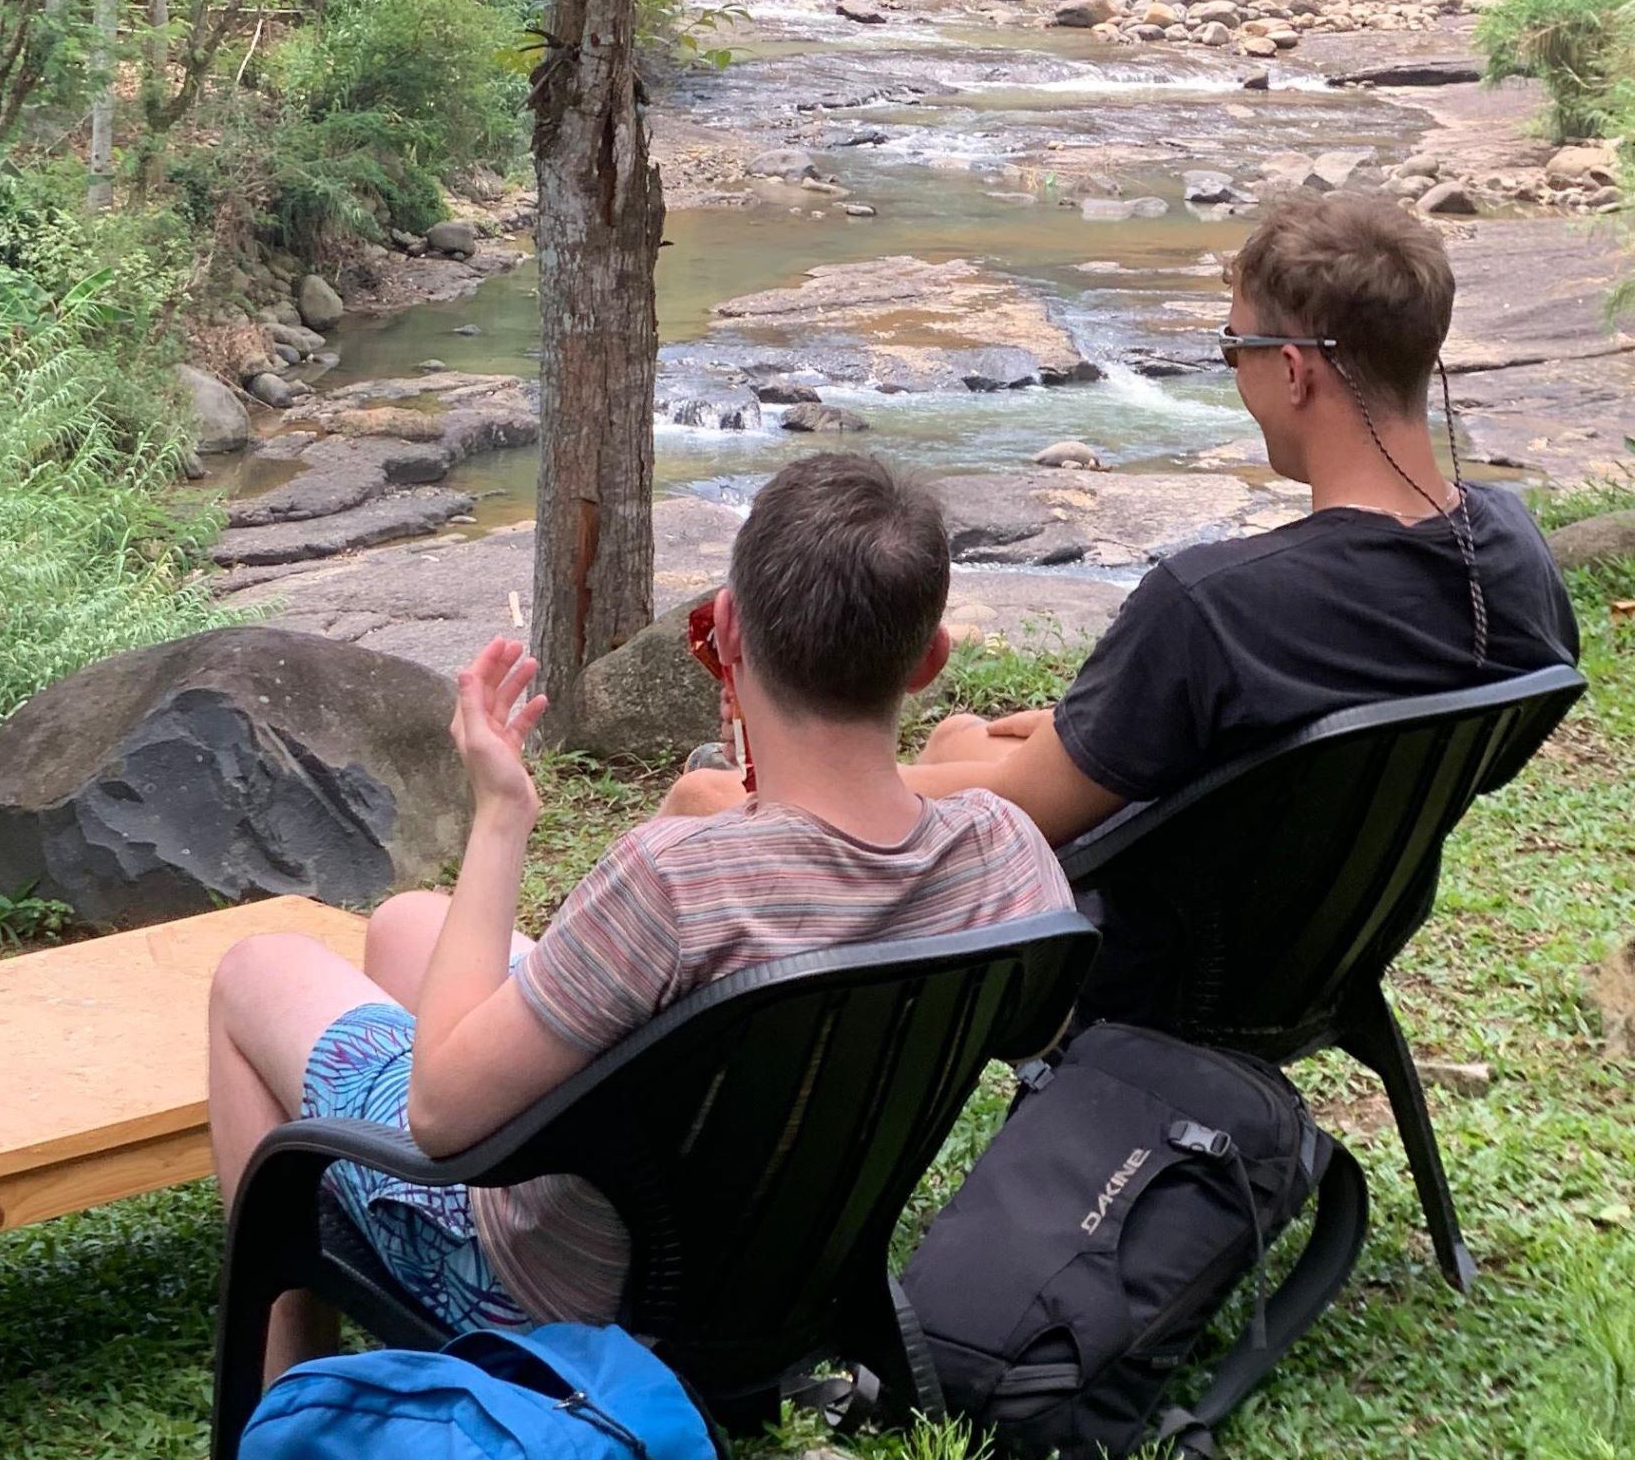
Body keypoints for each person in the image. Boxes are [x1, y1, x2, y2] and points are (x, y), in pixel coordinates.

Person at [138, 453, 1074, 1460]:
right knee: (406, 926)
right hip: (790, 1268)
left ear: (727, 632)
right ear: (929, 660)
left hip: (564, 1294)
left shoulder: (676, 881)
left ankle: (278, 1449)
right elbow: (1035, 1021)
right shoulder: (1001, 850)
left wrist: (501, 812)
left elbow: (439, 1115)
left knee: (255, 972)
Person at [667, 193, 1578, 1020]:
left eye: (1232, 349)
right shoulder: (1512, 551)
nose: (1232, 372)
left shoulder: (1212, 605)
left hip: (1151, 963)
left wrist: (763, 787)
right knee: (964, 738)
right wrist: (1119, 739)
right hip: (1330, 940)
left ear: (1293, 371)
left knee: (714, 794)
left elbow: (1027, 811)